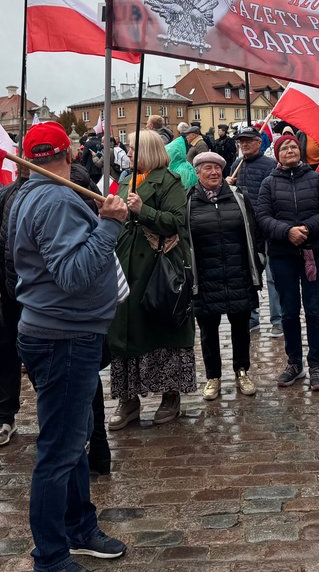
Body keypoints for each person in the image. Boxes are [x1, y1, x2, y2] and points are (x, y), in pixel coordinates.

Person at [11, 122, 129, 569]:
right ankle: (51, 555)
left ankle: (80, 526)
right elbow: (74, 274)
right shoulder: (56, 199)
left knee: (73, 440)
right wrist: (111, 226)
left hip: (58, 330)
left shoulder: (31, 192)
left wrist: (108, 215)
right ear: (72, 152)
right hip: (64, 336)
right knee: (59, 451)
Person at [108, 130, 195, 429]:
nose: (128, 154)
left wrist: (142, 210)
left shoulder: (168, 181)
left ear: (147, 150)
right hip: (125, 264)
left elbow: (176, 220)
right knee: (125, 330)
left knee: (161, 329)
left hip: (157, 268)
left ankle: (170, 396)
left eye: (132, 149)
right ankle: (128, 400)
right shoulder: (124, 180)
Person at [254, 133, 319, 389]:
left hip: (314, 254)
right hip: (282, 256)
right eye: (284, 148)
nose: (290, 150)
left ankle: (315, 363)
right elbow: (263, 216)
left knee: (314, 309)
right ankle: (294, 362)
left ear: (299, 151)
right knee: (289, 311)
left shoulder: (316, 179)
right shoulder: (269, 183)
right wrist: (287, 232)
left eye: (293, 146)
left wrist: (306, 229)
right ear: (277, 154)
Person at [186, 152, 264, 400]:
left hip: (237, 272)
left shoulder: (239, 197)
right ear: (197, 173)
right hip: (205, 276)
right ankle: (213, 377)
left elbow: (254, 231)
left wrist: (258, 263)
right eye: (207, 168)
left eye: (217, 169)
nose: (213, 173)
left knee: (241, 328)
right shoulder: (188, 201)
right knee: (208, 331)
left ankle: (242, 371)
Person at [0, 167, 30, 448]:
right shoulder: (9, 193)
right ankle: (3, 416)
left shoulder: (69, 187)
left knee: (46, 362)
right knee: (5, 356)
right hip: (11, 290)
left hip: (46, 297)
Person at [228, 125, 281, 337]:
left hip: (266, 228)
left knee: (273, 276)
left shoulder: (270, 166)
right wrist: (227, 186)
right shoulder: (235, 166)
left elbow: (275, 197)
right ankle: (251, 318)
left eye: (249, 141)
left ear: (259, 143)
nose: (245, 145)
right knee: (247, 276)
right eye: (241, 142)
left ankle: (278, 319)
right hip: (243, 229)